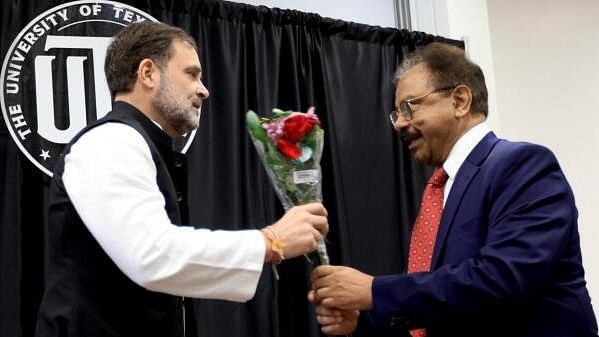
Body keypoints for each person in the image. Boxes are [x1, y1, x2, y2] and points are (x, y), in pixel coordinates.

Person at [35, 21, 329, 337]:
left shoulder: (140, 145)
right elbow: (153, 256)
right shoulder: (111, 142)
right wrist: (271, 241)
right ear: (147, 73)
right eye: (191, 74)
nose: (204, 89)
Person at [309, 42, 598, 337]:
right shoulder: (439, 189)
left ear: (460, 100)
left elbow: (503, 278)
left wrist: (375, 292)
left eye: (409, 107)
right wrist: (362, 322)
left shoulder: (524, 165)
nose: (399, 124)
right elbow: (444, 304)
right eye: (396, 114)